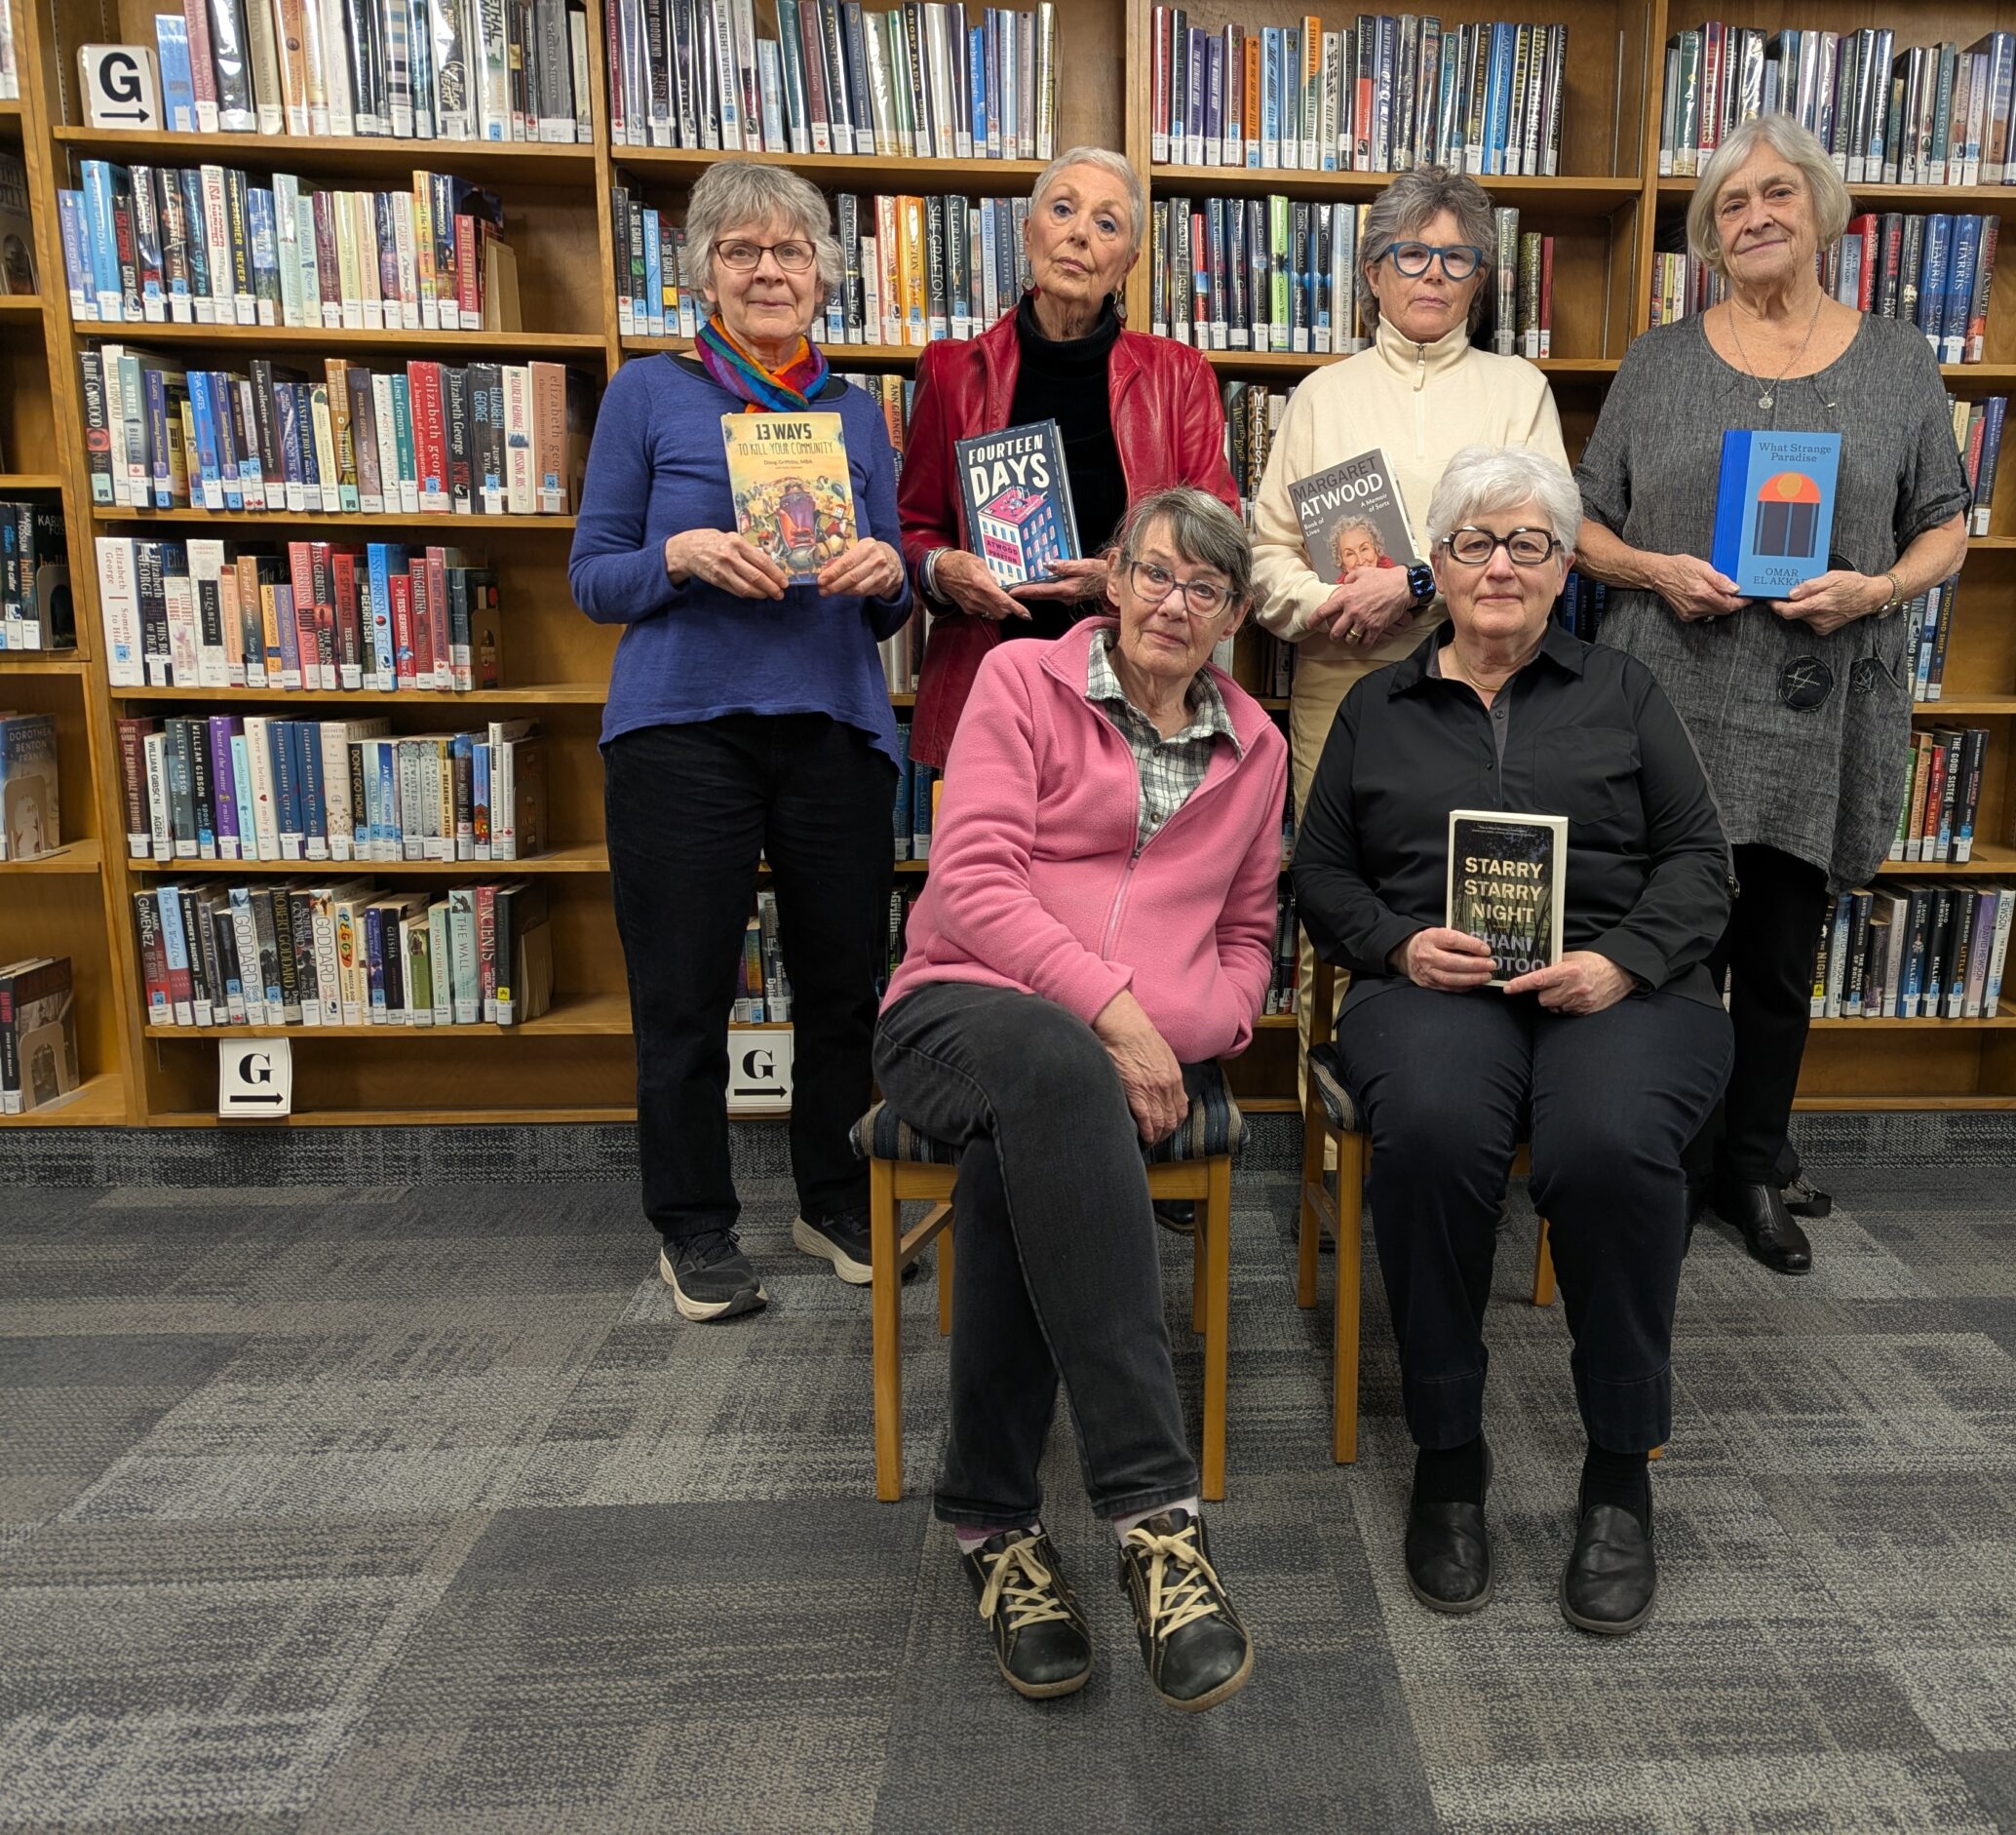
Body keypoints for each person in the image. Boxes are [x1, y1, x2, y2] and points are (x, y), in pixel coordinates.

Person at [1293, 447, 1733, 1636]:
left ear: (1560, 574)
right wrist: (1392, 944)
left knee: (1606, 1144)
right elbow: (1318, 873)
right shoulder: (1378, 706)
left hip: (1617, 985)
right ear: (1432, 565)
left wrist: (1621, 959)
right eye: (1475, 543)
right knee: (1430, 1134)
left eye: (1529, 544)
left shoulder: (1624, 691)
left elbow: (1703, 863)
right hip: (1436, 985)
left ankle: (1617, 1469)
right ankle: (1448, 1452)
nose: (1500, 565)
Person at [875, 487, 1287, 1711]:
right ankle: (1157, 1517)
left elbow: (1252, 935)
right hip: (955, 1006)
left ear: (1235, 615)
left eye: (1205, 588)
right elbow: (973, 886)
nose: (1174, 601)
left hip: (1118, 1054)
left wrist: (1181, 1028)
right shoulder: (1018, 683)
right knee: (1057, 1066)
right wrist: (1110, 1014)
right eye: (1153, 572)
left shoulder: (1255, 746)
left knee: (1039, 1128)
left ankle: (993, 1526)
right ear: (1110, 578)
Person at [1571, 114, 1970, 1275]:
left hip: (1817, 688)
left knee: (1782, 951)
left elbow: (1947, 527)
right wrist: (1653, 567)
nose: (1755, 217)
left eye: (1775, 195)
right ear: (1706, 235)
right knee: (1670, 941)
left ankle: (1751, 1164)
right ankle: (1675, 1156)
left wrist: (1878, 587)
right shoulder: (1660, 361)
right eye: (1731, 204)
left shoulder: (1896, 359)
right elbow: (1582, 525)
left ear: (1821, 211)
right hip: (1672, 692)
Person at [570, 163, 911, 1320]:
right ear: (704, 272)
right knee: (682, 994)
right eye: (741, 251)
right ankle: (694, 1226)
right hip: (681, 732)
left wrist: (889, 574)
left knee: (840, 987)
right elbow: (593, 576)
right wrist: (679, 556)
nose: (770, 270)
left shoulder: (857, 411)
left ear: (825, 274)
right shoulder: (649, 396)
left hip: (834, 728)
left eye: (792, 252)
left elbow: (889, 603)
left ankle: (831, 1196)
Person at [1248, 165, 1568, 1081]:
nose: (1432, 273)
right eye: (1411, 253)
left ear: (1481, 278)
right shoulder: (1321, 396)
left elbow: (1544, 537)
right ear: (1373, 273)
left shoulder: (1518, 391)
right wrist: (1333, 604)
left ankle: (1464, 1102)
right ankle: (1343, 1130)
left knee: (1478, 892)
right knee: (1340, 892)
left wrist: (1418, 584)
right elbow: (1266, 559)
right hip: (1343, 681)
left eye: (1456, 256)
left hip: (1491, 680)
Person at [898, 147, 1238, 769]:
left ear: (1127, 264)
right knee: (988, 864)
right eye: (1063, 210)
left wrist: (1118, 575)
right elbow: (913, 527)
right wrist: (943, 569)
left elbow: (1219, 539)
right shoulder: (951, 372)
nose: (1080, 233)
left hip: (1137, 684)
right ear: (1029, 233)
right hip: (990, 680)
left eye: (1106, 224)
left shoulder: (1178, 374)